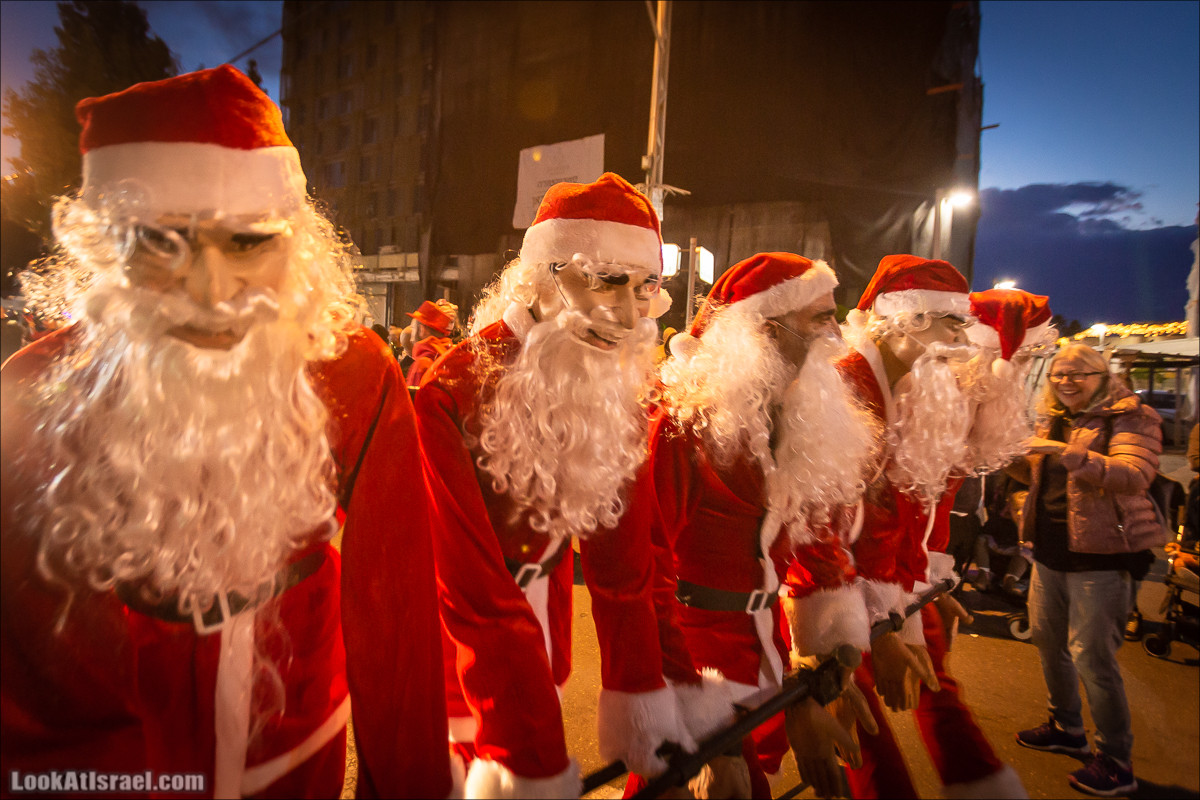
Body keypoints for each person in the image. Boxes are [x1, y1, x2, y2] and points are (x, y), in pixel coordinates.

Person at [0, 66, 452, 799]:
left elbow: (398, 617)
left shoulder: (352, 372)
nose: (213, 292)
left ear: (295, 244)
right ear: (107, 248)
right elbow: (33, 682)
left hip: (293, 738)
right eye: (161, 242)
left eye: (248, 243)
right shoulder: (29, 395)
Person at [415, 173, 732, 797]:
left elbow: (630, 568)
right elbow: (471, 595)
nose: (624, 313)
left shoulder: (611, 384)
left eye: (643, 288)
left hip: (547, 640)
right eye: (605, 280)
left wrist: (656, 704)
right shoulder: (451, 390)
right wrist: (529, 756)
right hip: (453, 662)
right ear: (541, 275)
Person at [642, 253, 881, 798]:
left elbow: (816, 540)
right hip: (697, 663)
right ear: (765, 330)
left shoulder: (796, 412)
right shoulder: (684, 422)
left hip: (767, 647)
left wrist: (833, 658)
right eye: (818, 319)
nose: (835, 333)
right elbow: (646, 579)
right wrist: (711, 736)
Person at [822, 255, 1026, 798]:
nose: (964, 337)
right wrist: (879, 624)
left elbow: (909, 519)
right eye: (952, 322)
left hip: (878, 590)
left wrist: (924, 591)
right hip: (829, 593)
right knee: (852, 736)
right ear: (903, 318)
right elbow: (819, 525)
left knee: (890, 718)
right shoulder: (849, 388)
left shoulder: (909, 390)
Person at [1010, 342, 1165, 797]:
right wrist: (1008, 458)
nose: (1066, 382)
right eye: (1058, 375)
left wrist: (1062, 450)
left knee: (1093, 658)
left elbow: (1134, 475)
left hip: (1103, 557)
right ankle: (1066, 727)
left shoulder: (1133, 417)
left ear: (1103, 375)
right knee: (1048, 641)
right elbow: (1037, 477)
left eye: (1078, 374)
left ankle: (1117, 760)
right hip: (1050, 551)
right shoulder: (1052, 417)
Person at [405, 298, 456, 388]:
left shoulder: (422, 364)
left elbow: (412, 399)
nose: (411, 332)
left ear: (422, 329)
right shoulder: (450, 358)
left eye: (413, 327)